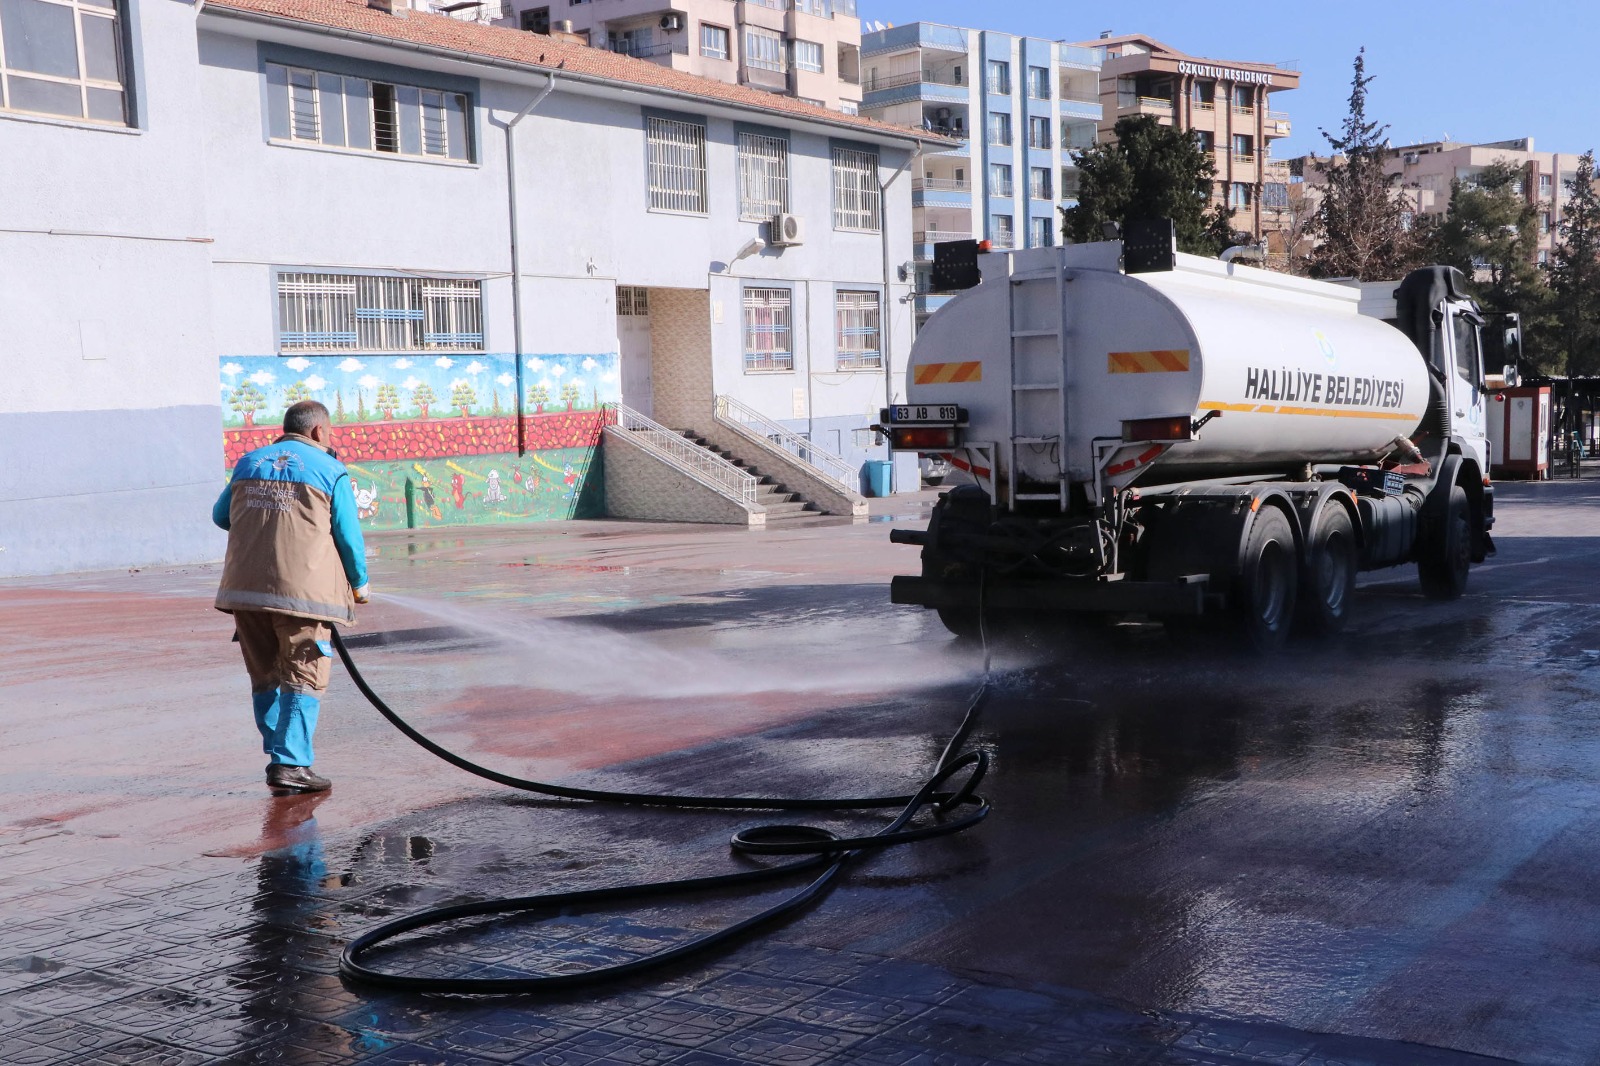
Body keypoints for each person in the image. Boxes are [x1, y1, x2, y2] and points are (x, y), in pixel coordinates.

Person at [213, 400, 370, 793]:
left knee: (265, 674)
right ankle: (291, 764)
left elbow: (221, 516)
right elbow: (348, 536)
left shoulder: (248, 463)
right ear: (318, 431)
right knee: (303, 675)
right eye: (330, 433)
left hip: (244, 591)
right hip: (303, 595)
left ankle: (278, 755)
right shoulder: (331, 470)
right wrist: (359, 583)